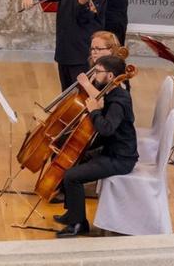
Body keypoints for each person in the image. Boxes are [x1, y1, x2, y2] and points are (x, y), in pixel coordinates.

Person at [55, 55, 138, 238]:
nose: (95, 74)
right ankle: (73, 214)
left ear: (110, 76)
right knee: (72, 161)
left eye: (99, 72)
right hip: (111, 151)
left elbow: (107, 129)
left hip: (121, 158)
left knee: (72, 177)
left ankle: (79, 224)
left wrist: (94, 111)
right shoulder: (111, 92)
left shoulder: (118, 101)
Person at [22, 0, 108, 91]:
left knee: (84, 97)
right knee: (66, 98)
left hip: (83, 55)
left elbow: (87, 20)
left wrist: (82, 4)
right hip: (64, 52)